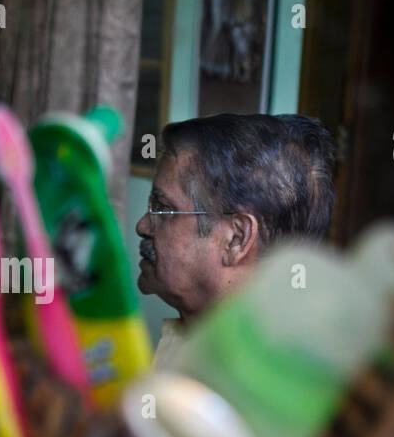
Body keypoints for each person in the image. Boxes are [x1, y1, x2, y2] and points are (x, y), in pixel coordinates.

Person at [135, 113, 336, 365]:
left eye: (163, 208)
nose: (142, 226)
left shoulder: (257, 384)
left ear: (236, 239)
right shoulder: (202, 342)